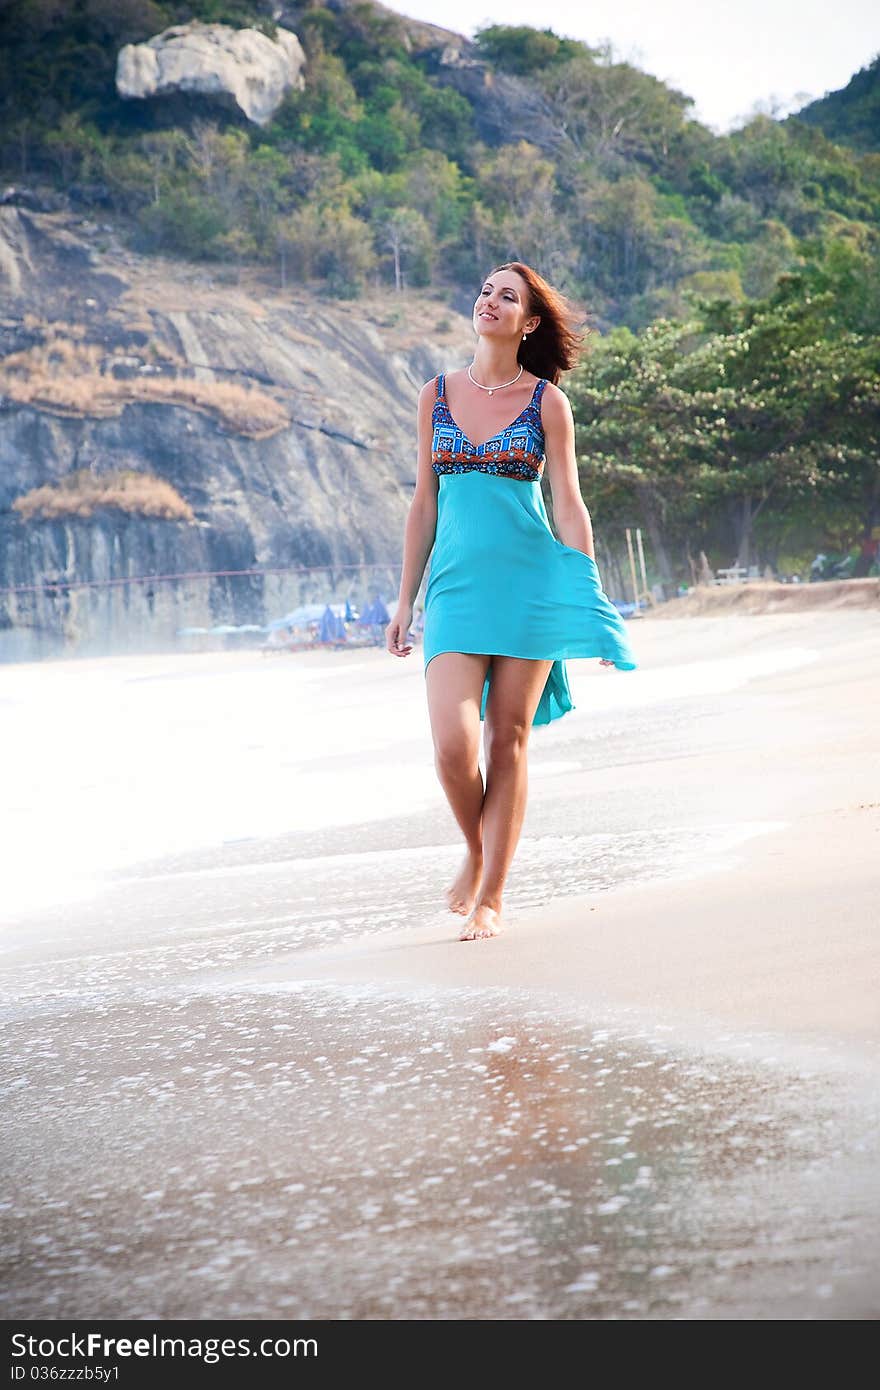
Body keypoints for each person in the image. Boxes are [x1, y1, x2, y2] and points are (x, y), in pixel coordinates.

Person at [386, 262, 637, 942]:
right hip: (456, 590)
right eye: (484, 292)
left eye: (508, 297)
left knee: (508, 741)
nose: (490, 302)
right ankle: (476, 848)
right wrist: (403, 599)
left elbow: (569, 506)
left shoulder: (547, 404)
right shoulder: (434, 395)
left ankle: (491, 896)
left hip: (530, 589)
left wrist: (587, 597)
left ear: (528, 323)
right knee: (451, 745)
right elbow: (424, 503)